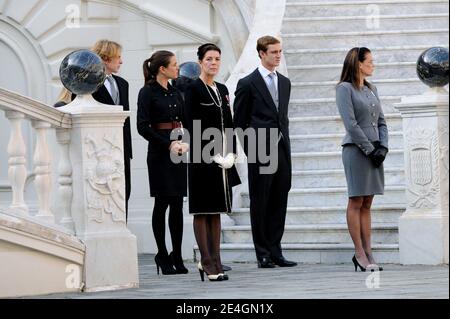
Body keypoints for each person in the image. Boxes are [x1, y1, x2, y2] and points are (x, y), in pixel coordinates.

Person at [233, 36, 297, 269]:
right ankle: (262, 253)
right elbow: (238, 122)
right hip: (259, 147)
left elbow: (283, 118)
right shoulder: (247, 83)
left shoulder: (285, 82)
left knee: (280, 197)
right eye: (273, 52)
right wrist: (251, 149)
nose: (278, 55)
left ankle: (276, 250)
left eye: (280, 51)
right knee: (260, 200)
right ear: (261, 53)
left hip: (282, 148)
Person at [185, 43, 241, 281]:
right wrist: (211, 154)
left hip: (222, 160)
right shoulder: (193, 89)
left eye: (217, 59)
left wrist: (231, 154)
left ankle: (217, 260)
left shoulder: (222, 88)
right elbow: (191, 125)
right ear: (200, 62)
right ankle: (206, 261)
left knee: (216, 211)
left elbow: (228, 124)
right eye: (209, 59)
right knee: (202, 209)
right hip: (202, 158)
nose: (214, 63)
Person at [336, 47, 388, 272]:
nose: (373, 64)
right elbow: (351, 124)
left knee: (368, 203)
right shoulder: (344, 89)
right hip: (357, 151)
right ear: (358, 64)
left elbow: (382, 121)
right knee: (356, 201)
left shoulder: (371, 88)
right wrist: (370, 149)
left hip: (375, 151)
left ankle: (369, 251)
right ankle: (358, 253)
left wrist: (383, 147)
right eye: (370, 61)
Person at [137, 50, 189, 275]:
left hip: (179, 151)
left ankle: (177, 254)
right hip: (159, 153)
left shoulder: (177, 92)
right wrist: (167, 144)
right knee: (162, 203)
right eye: (174, 65)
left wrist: (184, 142)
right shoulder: (147, 92)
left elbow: (185, 121)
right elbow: (142, 126)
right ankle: (162, 253)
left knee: (177, 203)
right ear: (162, 68)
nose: (178, 68)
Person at [72, 39, 133, 220]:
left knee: (124, 192)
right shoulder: (86, 83)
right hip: (98, 150)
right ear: (106, 58)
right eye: (118, 57)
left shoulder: (123, 84)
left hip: (121, 148)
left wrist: (127, 149)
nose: (121, 62)